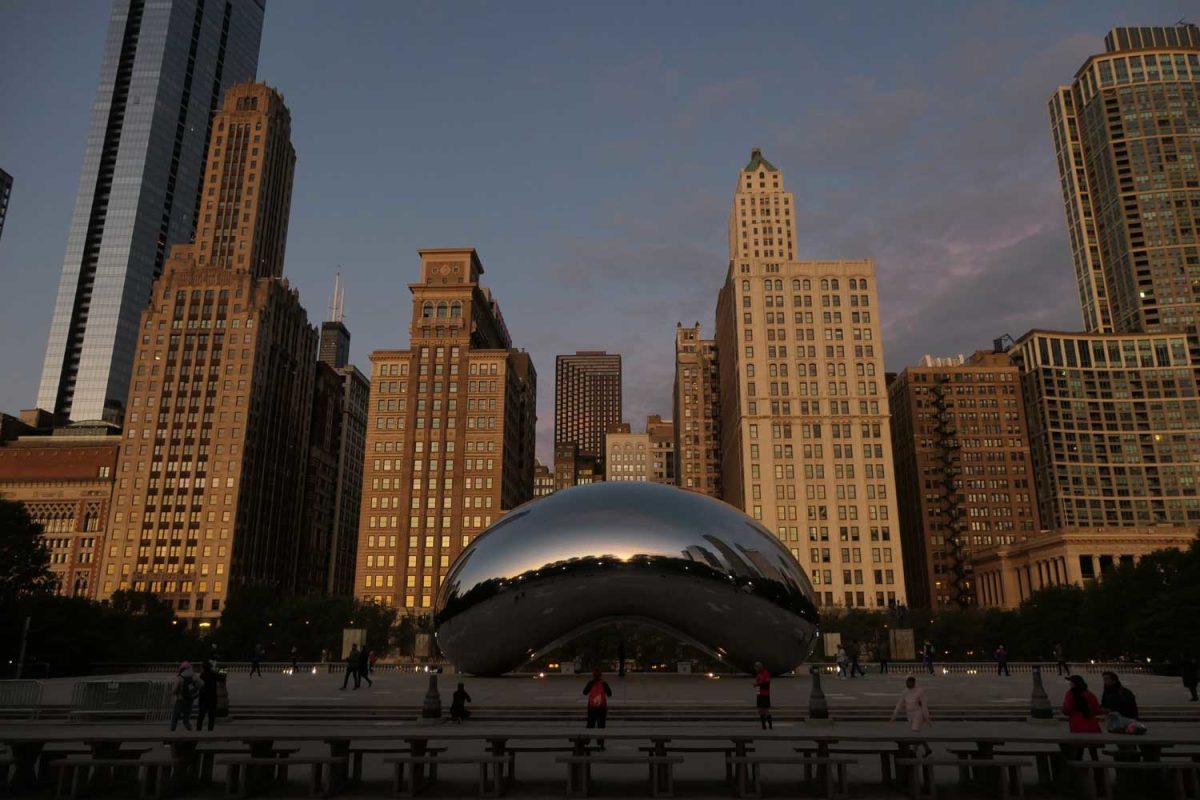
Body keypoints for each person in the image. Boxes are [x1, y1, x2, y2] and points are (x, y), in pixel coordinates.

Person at [890, 676, 932, 757]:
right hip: (910, 714)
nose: (908, 684)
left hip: (918, 713)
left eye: (909, 683)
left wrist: (926, 717)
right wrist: (894, 716)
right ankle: (927, 749)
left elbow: (924, 705)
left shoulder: (920, 691)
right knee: (917, 733)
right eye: (907, 682)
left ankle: (913, 751)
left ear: (913, 683)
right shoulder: (905, 692)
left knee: (915, 732)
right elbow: (899, 704)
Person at [583, 668, 613, 747]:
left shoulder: (590, 683)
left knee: (590, 724)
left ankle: (587, 741)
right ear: (601, 675)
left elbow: (584, 692)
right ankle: (600, 744)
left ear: (593, 675)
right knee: (601, 726)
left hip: (591, 707)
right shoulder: (604, 683)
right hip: (602, 708)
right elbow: (610, 694)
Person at [170, 661, 201, 732]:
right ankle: (191, 733)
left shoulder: (180, 678)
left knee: (175, 718)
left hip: (181, 700)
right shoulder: (193, 677)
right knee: (186, 719)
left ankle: (171, 734)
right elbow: (199, 686)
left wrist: (174, 692)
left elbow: (174, 690)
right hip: (189, 700)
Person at [195, 660, 224, 731]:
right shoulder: (213, 674)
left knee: (201, 717)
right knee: (211, 718)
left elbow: (198, 686)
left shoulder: (202, 675)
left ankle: (198, 731)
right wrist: (221, 668)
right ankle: (209, 732)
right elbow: (223, 677)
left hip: (203, 698)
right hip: (212, 698)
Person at [753, 661, 773, 730]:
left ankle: (770, 725)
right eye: (755, 667)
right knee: (760, 710)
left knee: (766, 710)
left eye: (757, 667)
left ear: (760, 667)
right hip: (759, 694)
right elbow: (758, 682)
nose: (755, 669)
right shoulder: (758, 674)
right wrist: (756, 684)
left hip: (765, 694)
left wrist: (757, 684)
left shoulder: (766, 673)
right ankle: (763, 726)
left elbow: (766, 684)